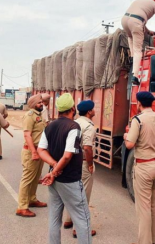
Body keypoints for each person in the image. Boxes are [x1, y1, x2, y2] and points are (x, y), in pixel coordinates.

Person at [37, 93, 92, 244]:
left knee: (54, 219)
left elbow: (41, 150)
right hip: (69, 180)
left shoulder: (49, 126)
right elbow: (68, 155)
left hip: (54, 181)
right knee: (83, 219)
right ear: (72, 108)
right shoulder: (73, 126)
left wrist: (53, 167)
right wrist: (55, 171)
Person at [124, 91, 155, 244]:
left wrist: (126, 137)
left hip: (144, 166)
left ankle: (145, 241)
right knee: (154, 205)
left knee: (143, 207)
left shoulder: (138, 120)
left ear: (138, 103)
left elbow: (130, 144)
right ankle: (152, 238)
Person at [62, 100, 98, 238]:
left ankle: (68, 220)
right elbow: (88, 148)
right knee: (84, 196)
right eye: (93, 109)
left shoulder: (74, 122)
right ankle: (79, 228)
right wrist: (90, 164)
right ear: (89, 112)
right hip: (82, 163)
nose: (94, 111)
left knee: (73, 191)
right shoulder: (88, 126)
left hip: (72, 161)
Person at [15, 94, 48, 217]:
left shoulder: (39, 115)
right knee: (27, 179)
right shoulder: (29, 116)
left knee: (36, 177)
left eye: (42, 102)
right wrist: (33, 152)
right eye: (39, 102)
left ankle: (32, 199)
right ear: (34, 104)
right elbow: (27, 135)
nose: (42, 104)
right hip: (31, 151)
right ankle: (22, 207)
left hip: (39, 150)